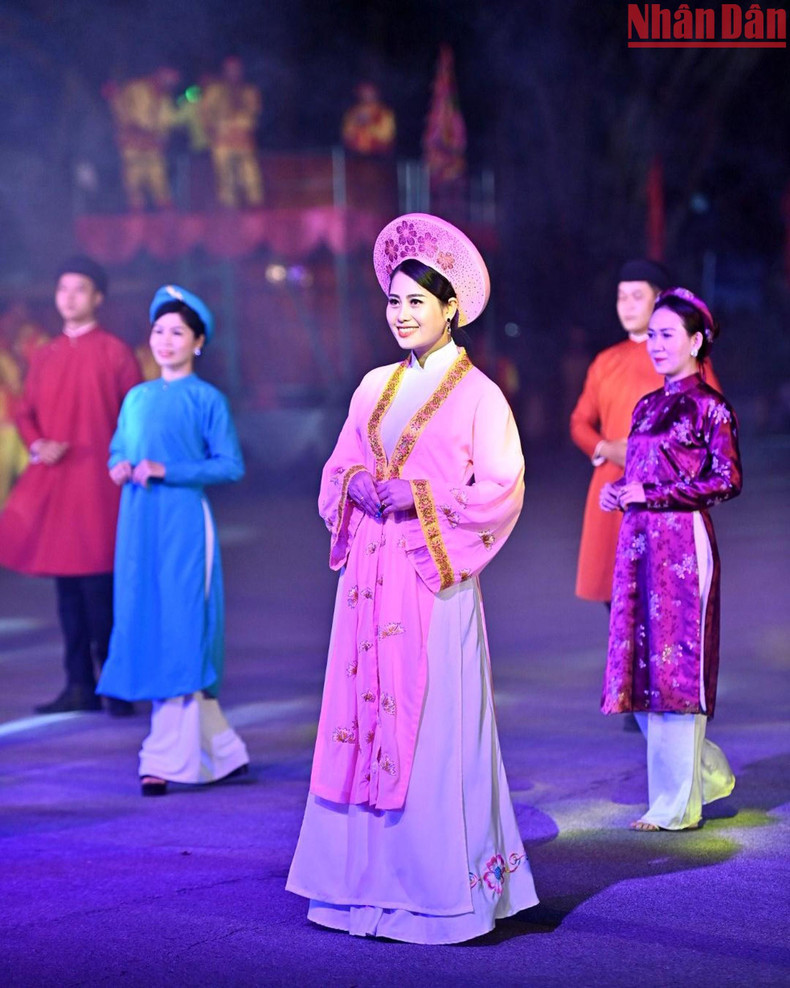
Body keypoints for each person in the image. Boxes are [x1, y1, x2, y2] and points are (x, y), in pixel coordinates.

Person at [287, 214, 538, 943]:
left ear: (451, 307)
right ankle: (354, 890)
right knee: (358, 719)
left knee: (431, 728)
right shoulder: (372, 386)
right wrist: (360, 482)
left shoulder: (481, 395)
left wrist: (422, 497)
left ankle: (440, 897)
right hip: (366, 581)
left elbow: (503, 489)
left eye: (417, 304)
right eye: (394, 303)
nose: (401, 316)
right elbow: (336, 470)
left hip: (432, 584)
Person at [97, 285, 249, 796]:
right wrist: (119, 466)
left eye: (177, 332)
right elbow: (120, 447)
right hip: (138, 523)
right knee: (145, 615)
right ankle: (224, 752)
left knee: (182, 624)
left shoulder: (208, 399)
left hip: (184, 522)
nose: (165, 341)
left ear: (198, 342)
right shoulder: (136, 397)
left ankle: (163, 758)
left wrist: (169, 469)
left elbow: (229, 465)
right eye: (159, 331)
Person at [599, 287, 742, 831]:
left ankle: (676, 806)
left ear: (696, 340)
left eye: (667, 335)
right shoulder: (646, 405)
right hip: (638, 548)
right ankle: (704, 775)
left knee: (678, 672)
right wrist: (620, 491)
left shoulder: (710, 406)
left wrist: (653, 494)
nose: (656, 345)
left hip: (684, 546)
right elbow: (642, 476)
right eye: (652, 335)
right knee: (642, 674)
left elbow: (727, 479)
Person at [0, 257, 141, 715]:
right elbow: (24, 412)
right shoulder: (45, 354)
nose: (69, 297)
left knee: (103, 592)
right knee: (67, 593)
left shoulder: (115, 353)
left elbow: (136, 417)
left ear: (98, 297)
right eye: (63, 289)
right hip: (60, 485)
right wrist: (38, 444)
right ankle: (79, 682)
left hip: (101, 487)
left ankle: (117, 684)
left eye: (79, 289)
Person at [570, 259, 672, 605]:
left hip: (661, 490)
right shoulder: (606, 361)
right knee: (617, 601)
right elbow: (579, 422)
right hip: (612, 489)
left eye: (637, 296)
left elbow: (706, 423)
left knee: (659, 598)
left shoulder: (680, 356)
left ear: (658, 301)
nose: (627, 305)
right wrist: (605, 447)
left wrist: (652, 451)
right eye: (621, 297)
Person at [104, 68, 181, 211]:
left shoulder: (166, 101)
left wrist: (159, 139)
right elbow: (119, 106)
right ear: (158, 76)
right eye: (167, 81)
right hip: (131, 143)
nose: (168, 85)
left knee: (159, 178)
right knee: (133, 181)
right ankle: (136, 215)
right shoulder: (135, 88)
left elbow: (165, 127)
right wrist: (113, 98)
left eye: (171, 84)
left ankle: (165, 212)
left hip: (152, 146)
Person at [200, 56, 263, 209]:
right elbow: (205, 113)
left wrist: (247, 130)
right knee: (225, 176)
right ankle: (228, 206)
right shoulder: (214, 91)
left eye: (236, 69)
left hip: (243, 138)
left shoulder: (249, 91)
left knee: (250, 173)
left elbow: (255, 114)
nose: (233, 72)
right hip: (222, 139)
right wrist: (213, 132)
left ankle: (254, 204)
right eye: (230, 69)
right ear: (224, 71)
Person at [341, 83, 396, 156]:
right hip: (354, 154)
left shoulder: (384, 113)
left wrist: (368, 125)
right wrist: (356, 124)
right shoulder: (353, 112)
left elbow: (386, 136)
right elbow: (346, 133)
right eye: (363, 92)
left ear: (376, 94)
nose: (366, 95)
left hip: (378, 154)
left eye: (370, 92)